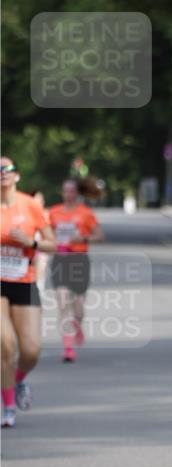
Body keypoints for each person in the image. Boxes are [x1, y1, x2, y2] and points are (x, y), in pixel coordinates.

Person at [1, 157, 56, 428]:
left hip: (25, 281)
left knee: (32, 350)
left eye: (7, 169)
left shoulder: (30, 205)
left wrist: (31, 242)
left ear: (17, 176)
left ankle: (19, 380)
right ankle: (8, 406)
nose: (2, 173)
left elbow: (52, 244)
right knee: (5, 343)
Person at [48, 178, 104, 362]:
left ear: (77, 193)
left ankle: (77, 324)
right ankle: (68, 347)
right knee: (63, 302)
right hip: (60, 260)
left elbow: (99, 236)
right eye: (65, 191)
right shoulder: (53, 212)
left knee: (78, 308)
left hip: (79, 260)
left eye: (71, 191)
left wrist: (83, 238)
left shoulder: (85, 213)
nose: (68, 194)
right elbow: (45, 234)